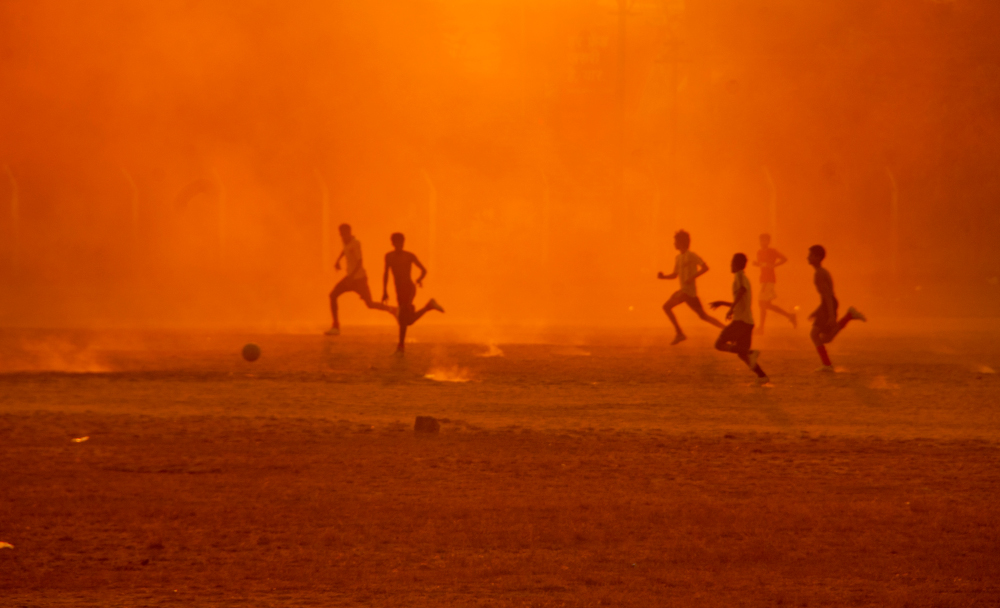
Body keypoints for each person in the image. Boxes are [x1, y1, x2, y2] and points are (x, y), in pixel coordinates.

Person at [326, 224, 397, 336]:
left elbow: (360, 262)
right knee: (333, 295)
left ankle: (393, 310)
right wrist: (338, 260)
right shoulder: (345, 242)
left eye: (343, 234)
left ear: (349, 232)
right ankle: (335, 326)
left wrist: (351, 277)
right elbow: (344, 250)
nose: (342, 236)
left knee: (370, 304)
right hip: (350, 278)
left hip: (359, 280)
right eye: (340, 234)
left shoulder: (356, 243)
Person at [710, 253, 770, 384]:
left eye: (731, 263)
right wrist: (722, 303)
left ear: (736, 265)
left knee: (719, 344)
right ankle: (762, 376)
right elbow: (740, 300)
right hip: (748, 322)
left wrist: (730, 309)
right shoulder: (743, 277)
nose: (730, 265)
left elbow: (741, 291)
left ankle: (750, 352)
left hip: (741, 321)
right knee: (742, 354)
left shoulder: (739, 276)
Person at [657, 230, 725, 345]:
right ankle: (726, 329)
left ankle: (679, 333)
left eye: (675, 241)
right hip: (686, 293)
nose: (674, 244)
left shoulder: (691, 255)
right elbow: (674, 275)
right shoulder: (678, 258)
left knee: (667, 307)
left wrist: (692, 277)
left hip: (688, 292)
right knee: (703, 316)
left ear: (681, 243)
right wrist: (663, 277)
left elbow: (705, 268)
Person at [382, 232, 444, 353]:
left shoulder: (409, 256)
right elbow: (386, 274)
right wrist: (384, 291)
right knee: (407, 320)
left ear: (403, 243)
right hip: (398, 291)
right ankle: (429, 306)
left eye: (401, 242)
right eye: (397, 243)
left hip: (409, 289)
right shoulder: (389, 256)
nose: (399, 245)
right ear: (393, 243)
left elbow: (424, 270)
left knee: (403, 319)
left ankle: (401, 345)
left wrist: (419, 280)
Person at [807, 245, 867, 371]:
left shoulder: (819, 274)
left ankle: (827, 365)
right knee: (826, 338)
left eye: (811, 255)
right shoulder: (821, 272)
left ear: (818, 258)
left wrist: (831, 316)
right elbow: (826, 296)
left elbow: (827, 296)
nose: (808, 257)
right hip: (828, 304)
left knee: (814, 335)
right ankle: (849, 316)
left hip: (829, 304)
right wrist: (817, 312)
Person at [753, 233, 797, 331]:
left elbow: (784, 258)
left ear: (768, 242)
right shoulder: (759, 252)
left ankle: (761, 328)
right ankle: (790, 316)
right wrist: (757, 264)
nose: (763, 242)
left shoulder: (772, 251)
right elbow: (762, 264)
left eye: (765, 240)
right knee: (766, 305)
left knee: (762, 304)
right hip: (763, 279)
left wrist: (774, 265)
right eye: (761, 240)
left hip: (769, 279)